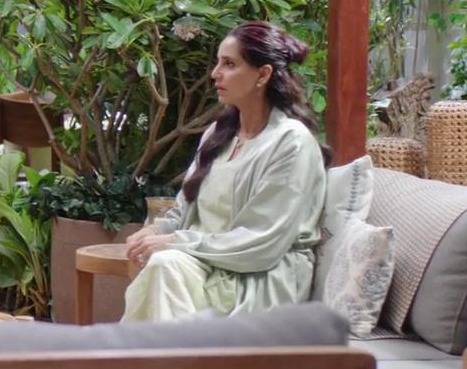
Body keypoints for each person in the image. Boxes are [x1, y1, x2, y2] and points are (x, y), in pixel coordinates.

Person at [120, 20, 329, 322]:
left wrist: (176, 242)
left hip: (258, 275)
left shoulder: (291, 142)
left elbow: (262, 242)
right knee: (163, 263)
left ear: (263, 74)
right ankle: (165, 352)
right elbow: (183, 211)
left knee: (165, 265)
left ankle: (155, 352)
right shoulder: (218, 135)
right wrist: (153, 232)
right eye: (218, 62)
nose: (215, 73)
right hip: (200, 262)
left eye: (229, 64)